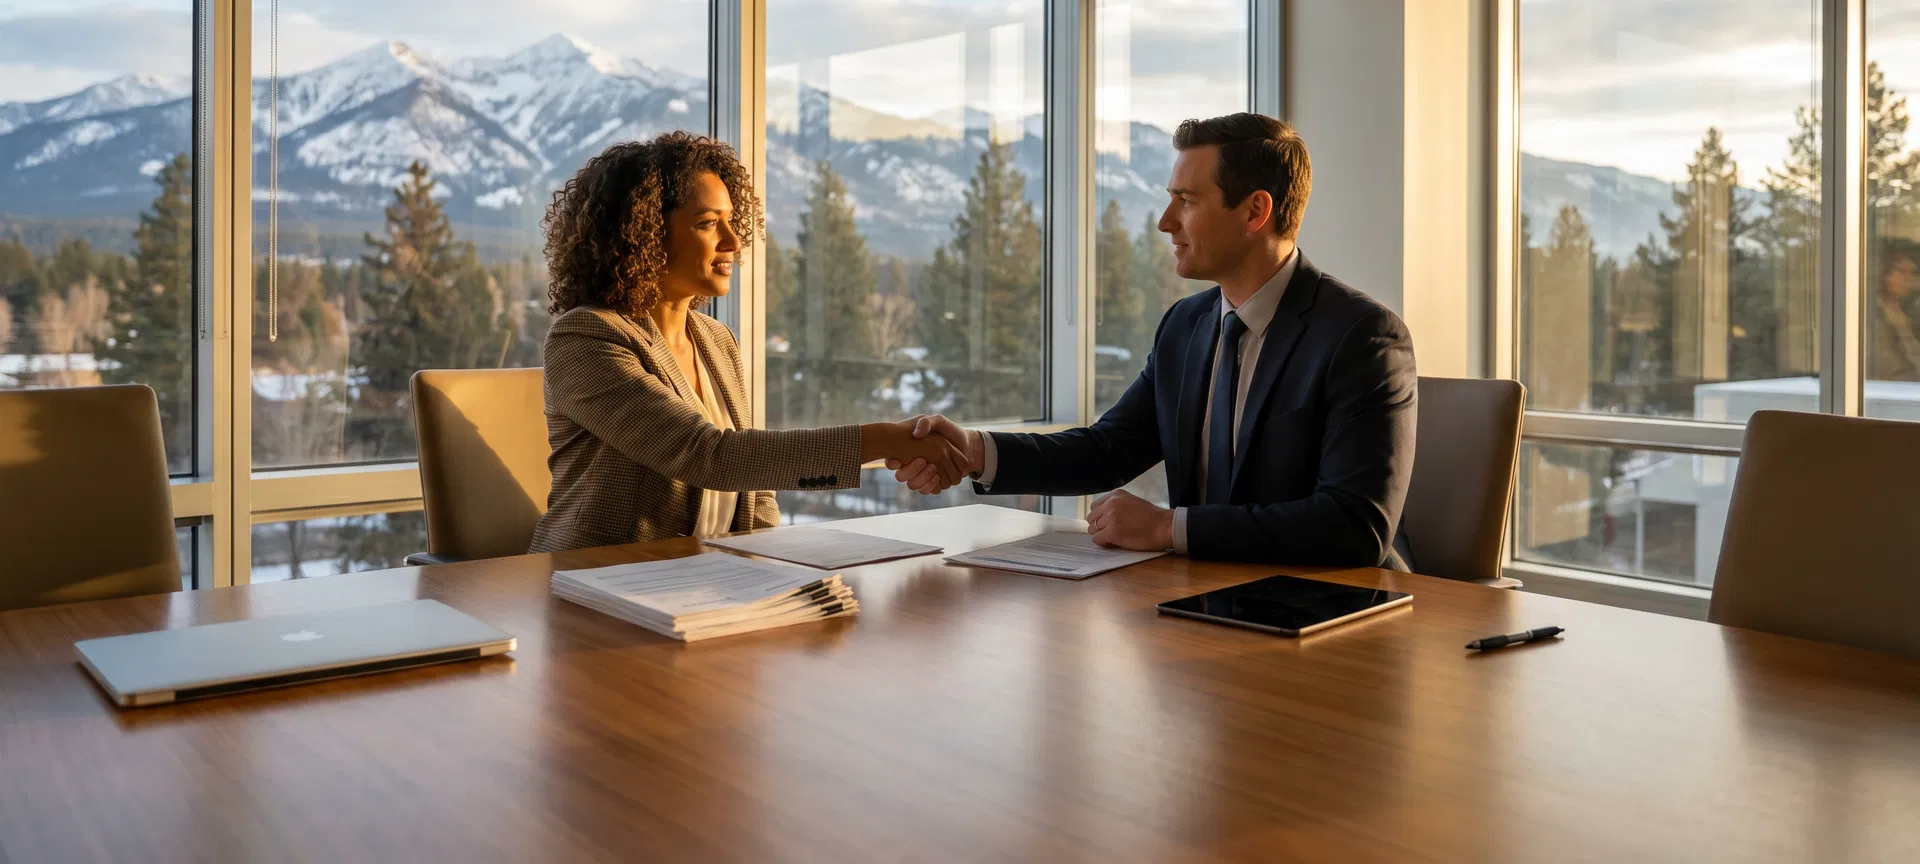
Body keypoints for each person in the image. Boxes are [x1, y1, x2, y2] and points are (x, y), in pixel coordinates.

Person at [892, 113, 1418, 569]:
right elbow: (1108, 450)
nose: (1166, 223)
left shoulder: (1362, 337)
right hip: (1205, 605)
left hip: (1333, 615)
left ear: (1256, 212)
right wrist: (975, 450)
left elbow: (1355, 526)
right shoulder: (1185, 326)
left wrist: (1169, 528)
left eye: (1186, 201)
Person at [531, 132, 970, 553]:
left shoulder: (716, 340)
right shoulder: (585, 337)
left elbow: (753, 487)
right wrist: (884, 439)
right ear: (642, 234)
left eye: (730, 220)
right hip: (599, 583)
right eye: (707, 224)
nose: (733, 241)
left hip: (711, 579)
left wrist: (776, 565)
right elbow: (709, 456)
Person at [1873, 240, 1920, 382]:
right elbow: (1890, 371)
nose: (1907, 279)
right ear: (1884, 273)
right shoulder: (1871, 316)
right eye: (1900, 271)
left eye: (1912, 273)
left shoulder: (1908, 312)